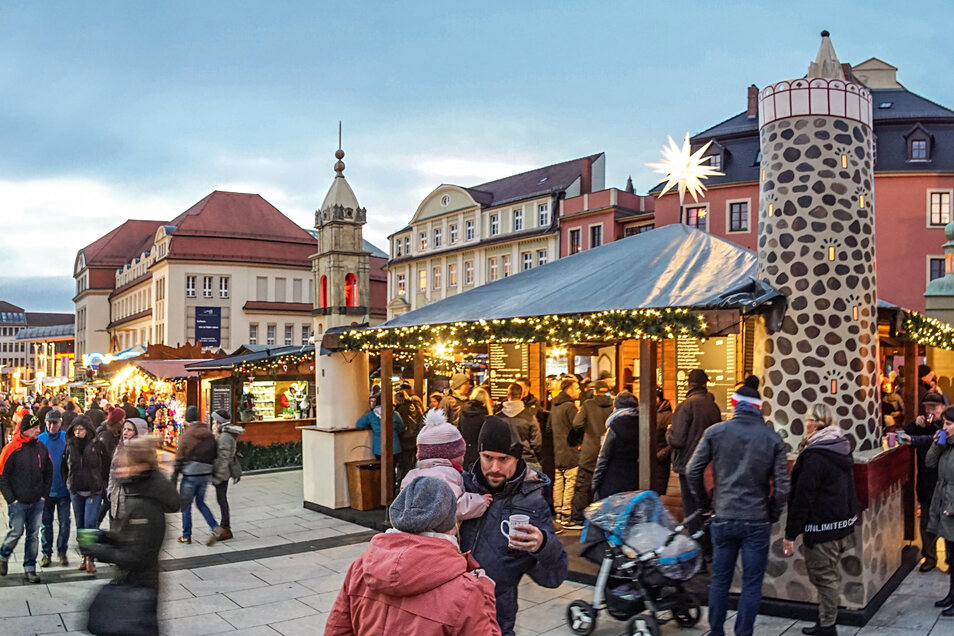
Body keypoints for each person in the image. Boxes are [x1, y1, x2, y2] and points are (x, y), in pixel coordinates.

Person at [326, 476, 501, 635]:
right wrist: (486, 594)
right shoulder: (467, 591)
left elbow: (336, 631)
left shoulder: (360, 568)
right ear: (449, 525)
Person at [687, 375, 789, 636]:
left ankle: (716, 631)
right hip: (756, 518)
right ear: (758, 408)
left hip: (723, 514)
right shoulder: (773, 439)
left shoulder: (716, 432)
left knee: (720, 579)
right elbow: (783, 488)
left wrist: (704, 503)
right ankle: (744, 633)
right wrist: (772, 512)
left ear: (734, 405)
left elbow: (692, 470)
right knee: (752, 584)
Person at [458, 416, 567, 635]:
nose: (494, 468)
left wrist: (542, 545)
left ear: (516, 459)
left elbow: (554, 577)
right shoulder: (461, 487)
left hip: (495, 618)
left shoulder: (533, 502)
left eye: (504, 459)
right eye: (487, 457)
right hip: (451, 611)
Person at [82, 436, 180, 636]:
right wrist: (102, 537)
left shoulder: (145, 505)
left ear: (141, 467)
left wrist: (99, 551)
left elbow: (135, 557)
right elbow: (130, 540)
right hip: (137, 584)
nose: (118, 471)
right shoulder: (140, 494)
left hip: (141, 587)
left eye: (124, 465)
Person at [781, 403, 857, 636]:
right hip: (841, 527)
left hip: (822, 529)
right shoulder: (841, 447)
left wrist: (790, 534)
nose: (804, 423)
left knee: (824, 579)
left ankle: (827, 627)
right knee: (827, 577)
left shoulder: (814, 456)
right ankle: (826, 621)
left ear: (814, 423)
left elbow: (802, 497)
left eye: (806, 419)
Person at [400, 409, 490, 528]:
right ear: (453, 454)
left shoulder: (412, 475)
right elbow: (453, 506)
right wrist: (480, 501)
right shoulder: (447, 474)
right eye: (461, 453)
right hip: (440, 535)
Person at [0, 414, 53, 583]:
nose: (39, 430)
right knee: (16, 532)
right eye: (35, 427)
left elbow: (48, 472)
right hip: (18, 502)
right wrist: (11, 499)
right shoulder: (11, 449)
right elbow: (2, 475)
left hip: (37, 500)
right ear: (26, 429)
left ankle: (30, 568)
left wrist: (44, 495)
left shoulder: (41, 448)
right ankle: (3, 556)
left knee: (33, 535)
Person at [899, 391, 948, 572]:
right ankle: (929, 557)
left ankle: (951, 560)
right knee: (927, 521)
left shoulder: (947, 424)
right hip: (926, 481)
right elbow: (905, 434)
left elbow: (937, 439)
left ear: (943, 408)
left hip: (945, 482)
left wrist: (914, 439)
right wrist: (914, 424)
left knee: (947, 522)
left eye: (933, 408)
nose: (930, 411)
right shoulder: (922, 423)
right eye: (927, 408)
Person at [668, 368, 722, 525]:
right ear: (705, 384)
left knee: (691, 509)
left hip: (688, 466)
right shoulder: (713, 407)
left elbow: (677, 440)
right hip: (709, 466)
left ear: (689, 384)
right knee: (706, 507)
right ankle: (708, 545)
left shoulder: (685, 406)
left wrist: (667, 433)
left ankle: (697, 544)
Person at [567, 379, 614, 529]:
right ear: (607, 390)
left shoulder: (588, 404)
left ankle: (578, 518)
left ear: (595, 391)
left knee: (583, 485)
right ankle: (604, 517)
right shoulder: (613, 404)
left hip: (589, 451)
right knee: (606, 485)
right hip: (608, 449)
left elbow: (576, 423)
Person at [173, 406, 224, 545]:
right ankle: (214, 527)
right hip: (205, 473)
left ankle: (186, 536)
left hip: (190, 474)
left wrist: (174, 475)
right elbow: (215, 453)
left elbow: (180, 456)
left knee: (186, 506)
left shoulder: (187, 434)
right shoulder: (208, 433)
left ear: (187, 418)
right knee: (200, 502)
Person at [63, 414, 107, 573]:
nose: (77, 432)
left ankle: (90, 558)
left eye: (80, 429)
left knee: (90, 524)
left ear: (88, 429)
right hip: (76, 491)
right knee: (81, 525)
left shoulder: (97, 445)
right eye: (75, 429)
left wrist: (102, 485)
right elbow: (65, 466)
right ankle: (84, 556)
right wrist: (69, 483)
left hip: (93, 491)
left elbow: (105, 466)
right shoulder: (70, 445)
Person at [925, 407, 954, 616]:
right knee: (951, 554)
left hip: (951, 506)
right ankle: (952, 594)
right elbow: (929, 463)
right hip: (943, 500)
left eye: (948, 424)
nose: (944, 427)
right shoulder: (947, 447)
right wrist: (937, 443)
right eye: (944, 424)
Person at [38, 409, 71, 568]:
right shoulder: (40, 440)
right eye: (49, 422)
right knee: (46, 524)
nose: (52, 426)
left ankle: (62, 551)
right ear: (45, 423)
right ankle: (46, 553)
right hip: (45, 490)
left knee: (65, 523)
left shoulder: (67, 438)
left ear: (60, 423)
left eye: (55, 422)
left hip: (64, 489)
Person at [592, 391, 639, 500]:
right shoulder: (642, 423)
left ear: (616, 407)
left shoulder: (614, 426)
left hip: (612, 479)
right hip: (634, 478)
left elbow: (603, 457)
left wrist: (595, 483)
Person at [549, 378, 582, 529]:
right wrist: (578, 442)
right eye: (576, 388)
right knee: (570, 481)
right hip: (570, 450)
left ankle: (558, 513)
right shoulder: (570, 407)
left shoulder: (554, 405)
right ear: (568, 390)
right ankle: (567, 515)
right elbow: (577, 426)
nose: (579, 391)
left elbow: (549, 428)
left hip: (557, 450)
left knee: (558, 482)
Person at [107, 417, 148, 531]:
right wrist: (110, 492)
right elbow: (112, 471)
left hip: (133, 505)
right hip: (116, 502)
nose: (125, 432)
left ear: (139, 432)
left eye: (129, 430)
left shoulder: (144, 453)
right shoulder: (120, 447)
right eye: (124, 429)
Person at [211, 409, 243, 541]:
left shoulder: (225, 437)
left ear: (219, 422)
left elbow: (224, 458)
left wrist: (218, 475)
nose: (213, 422)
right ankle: (225, 525)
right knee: (221, 499)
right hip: (223, 472)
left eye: (214, 420)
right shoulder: (224, 434)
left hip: (223, 473)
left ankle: (226, 527)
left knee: (222, 499)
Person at [499, 383, 543, 471]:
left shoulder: (497, 418)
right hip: (527, 460)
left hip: (504, 461)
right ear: (522, 396)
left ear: (507, 395)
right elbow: (537, 443)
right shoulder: (530, 417)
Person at [355, 394, 404, 460]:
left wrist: (371, 425)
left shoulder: (371, 415)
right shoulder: (395, 414)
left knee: (380, 467)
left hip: (379, 447)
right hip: (394, 446)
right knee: (393, 467)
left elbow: (359, 424)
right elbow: (401, 428)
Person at [395, 389, 426, 481]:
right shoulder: (413, 406)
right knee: (411, 461)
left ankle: (404, 480)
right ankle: (412, 478)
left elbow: (400, 425)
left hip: (404, 438)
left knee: (404, 462)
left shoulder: (401, 409)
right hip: (414, 437)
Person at [460, 386, 492, 469]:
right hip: (480, 452)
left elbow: (459, 430)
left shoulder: (463, 411)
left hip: (465, 450)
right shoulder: (485, 416)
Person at [654, 389, 673, 495]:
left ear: (657, 398)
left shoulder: (668, 416)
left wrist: (662, 454)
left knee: (657, 492)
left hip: (660, 460)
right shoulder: (647, 412)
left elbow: (673, 439)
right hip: (651, 459)